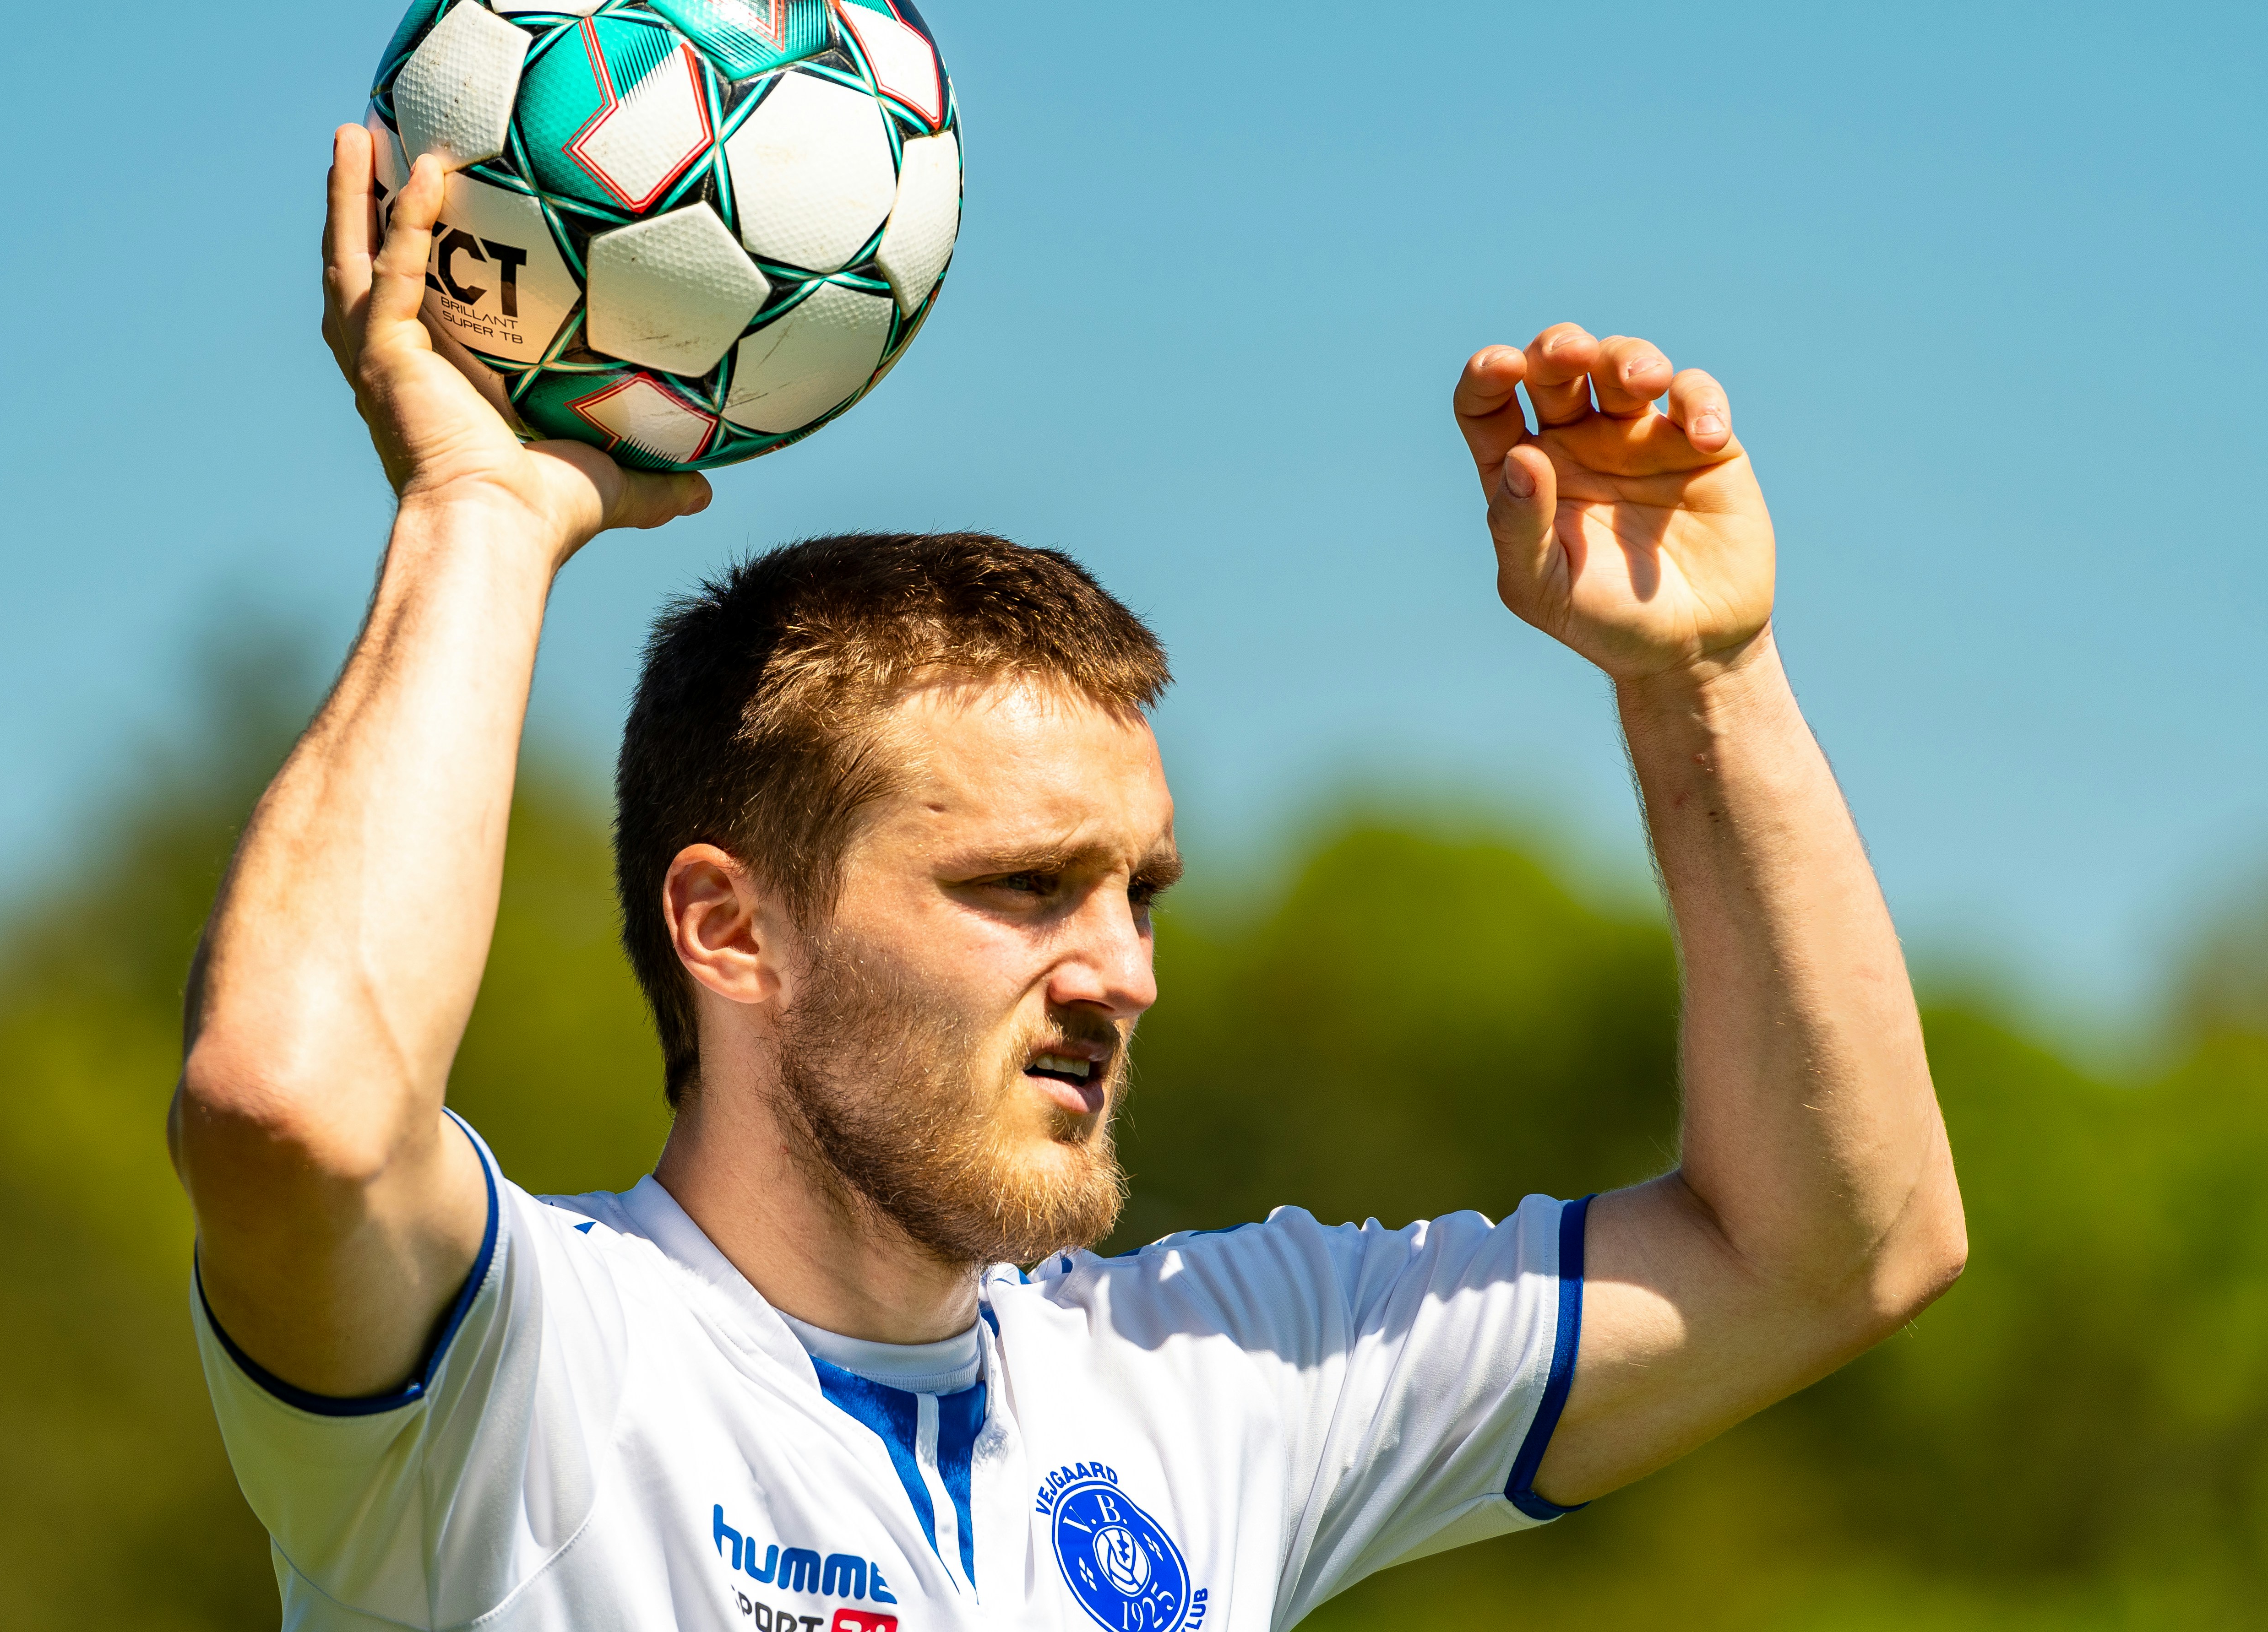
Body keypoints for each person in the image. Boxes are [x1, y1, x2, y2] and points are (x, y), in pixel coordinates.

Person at [169, 128, 1967, 1632]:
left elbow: (1834, 1247)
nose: (1120, 971)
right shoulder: (526, 1371)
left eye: (1140, 891)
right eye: (1025, 888)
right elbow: (293, 1106)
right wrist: (480, 512)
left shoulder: (1215, 1380)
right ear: (731, 928)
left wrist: (1701, 678)